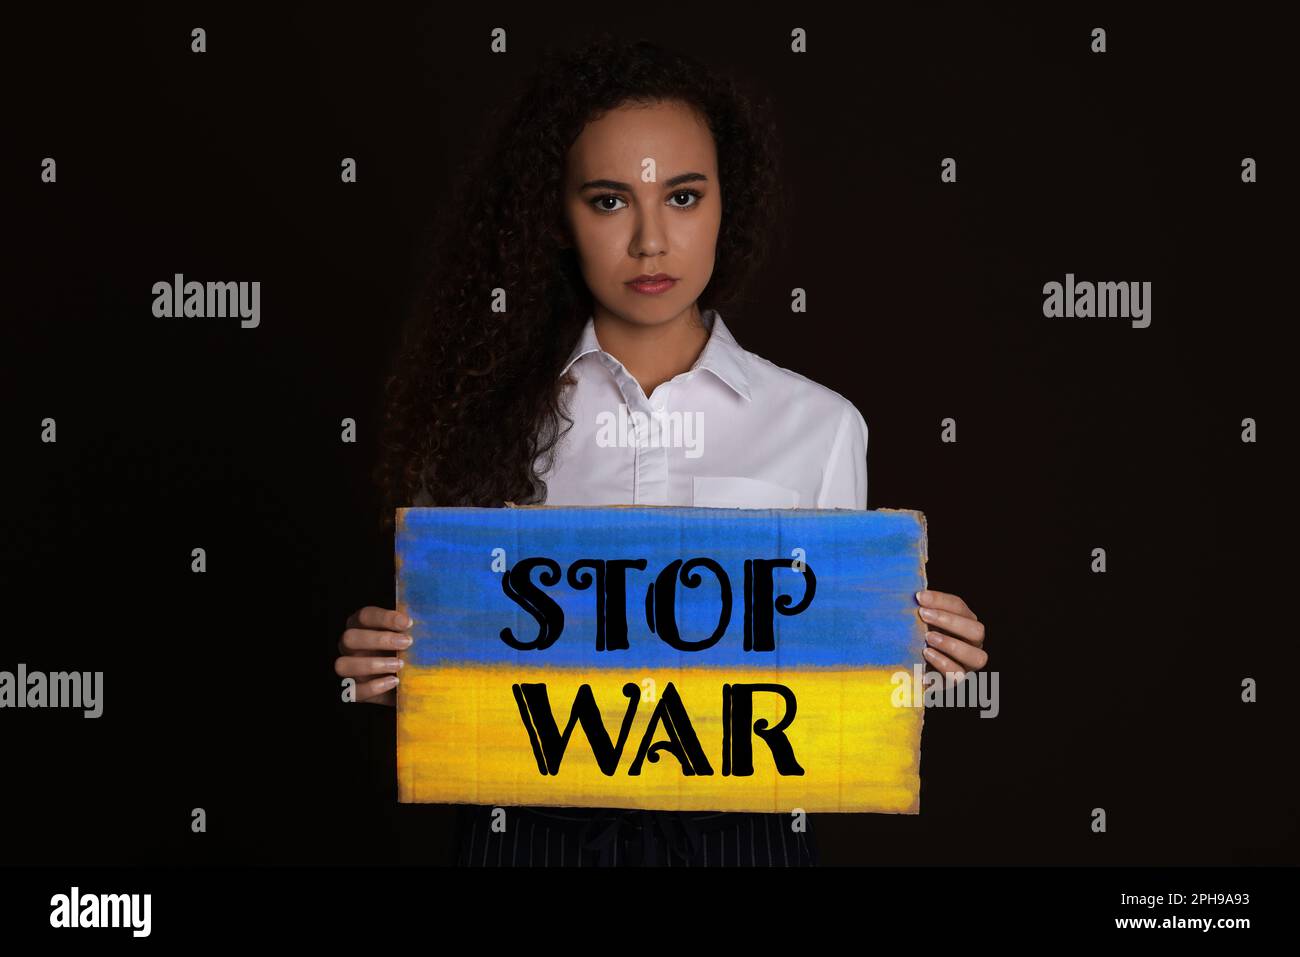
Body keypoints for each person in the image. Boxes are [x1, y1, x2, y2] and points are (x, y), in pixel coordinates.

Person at [335, 34, 989, 866]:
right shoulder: (477, 420)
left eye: (682, 197)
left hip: (744, 839)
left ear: (727, 202)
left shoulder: (821, 425)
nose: (651, 241)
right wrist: (385, 665)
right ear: (558, 216)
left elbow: (828, 670)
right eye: (609, 201)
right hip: (529, 837)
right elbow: (457, 657)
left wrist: (916, 655)